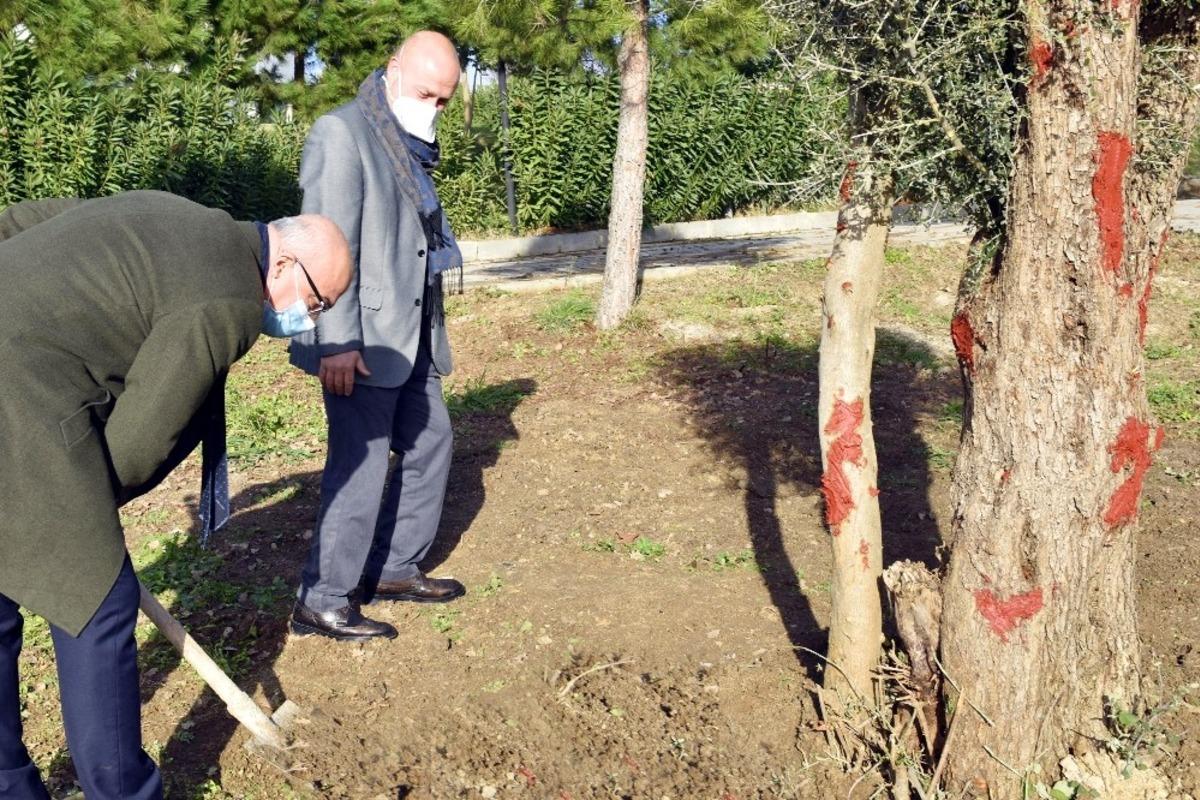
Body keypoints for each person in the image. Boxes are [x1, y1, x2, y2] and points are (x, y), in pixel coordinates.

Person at [0, 190, 352, 800]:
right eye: (320, 302)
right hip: (20, 406)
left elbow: (27, 218)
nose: (313, 320)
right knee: (95, 600)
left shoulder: (187, 216)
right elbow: (143, 438)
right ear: (285, 266)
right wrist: (78, 509)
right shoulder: (229, 299)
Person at [289, 30, 468, 642]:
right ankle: (323, 599)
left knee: (432, 442)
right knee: (360, 465)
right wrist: (338, 342)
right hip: (360, 339)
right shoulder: (342, 134)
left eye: (444, 100)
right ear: (393, 71)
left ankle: (393, 567)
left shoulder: (408, 145)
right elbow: (324, 244)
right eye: (427, 94)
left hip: (410, 332)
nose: (435, 109)